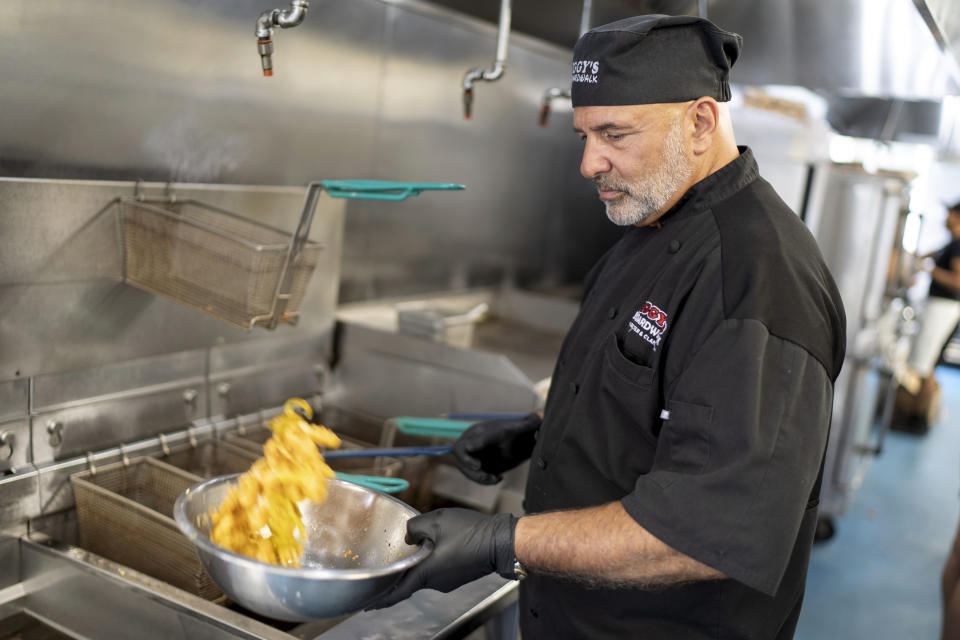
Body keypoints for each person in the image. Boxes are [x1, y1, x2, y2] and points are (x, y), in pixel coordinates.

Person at [370, 14, 846, 639]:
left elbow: (704, 534)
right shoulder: (650, 226)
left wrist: (501, 540)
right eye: (584, 134)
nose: (589, 163)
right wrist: (538, 434)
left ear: (700, 123)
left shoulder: (759, 281)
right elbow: (657, 399)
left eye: (615, 134)